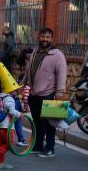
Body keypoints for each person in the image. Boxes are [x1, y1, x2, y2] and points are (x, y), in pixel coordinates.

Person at [22, 27, 67, 158]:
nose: (45, 39)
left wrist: (60, 92)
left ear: (51, 39)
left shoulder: (57, 54)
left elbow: (62, 74)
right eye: (43, 37)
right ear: (39, 37)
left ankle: (50, 148)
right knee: (37, 122)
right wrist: (23, 84)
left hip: (49, 94)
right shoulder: (35, 51)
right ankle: (38, 145)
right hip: (34, 93)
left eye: (48, 37)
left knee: (49, 123)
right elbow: (28, 70)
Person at [0, 89, 22, 169]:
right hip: (7, 126)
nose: (16, 91)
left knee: (2, 144)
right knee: (9, 144)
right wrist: (19, 114)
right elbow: (11, 111)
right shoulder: (9, 98)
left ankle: (0, 162)